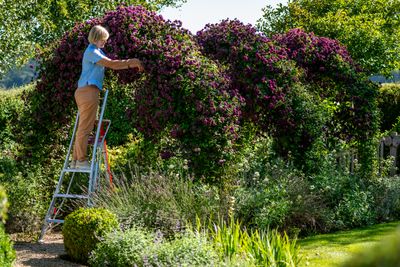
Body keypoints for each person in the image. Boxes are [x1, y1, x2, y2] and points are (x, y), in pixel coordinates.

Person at [71, 25, 144, 169]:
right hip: (88, 91)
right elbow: (112, 64)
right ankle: (81, 161)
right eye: (102, 39)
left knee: (84, 126)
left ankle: (75, 162)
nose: (105, 42)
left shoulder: (97, 51)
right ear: (96, 38)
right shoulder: (92, 51)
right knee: (85, 128)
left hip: (86, 91)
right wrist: (132, 62)